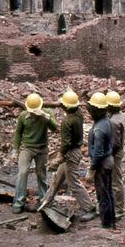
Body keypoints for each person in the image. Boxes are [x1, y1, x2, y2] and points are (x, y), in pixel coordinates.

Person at [38, 90, 97, 222]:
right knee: (57, 178)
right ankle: (46, 202)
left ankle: (90, 208)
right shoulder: (78, 114)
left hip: (70, 154)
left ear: (64, 106)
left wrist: (59, 158)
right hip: (76, 150)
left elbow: (65, 143)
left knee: (73, 183)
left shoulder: (67, 122)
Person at [12, 93, 58, 214]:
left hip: (42, 149)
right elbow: (18, 133)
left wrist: (46, 117)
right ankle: (18, 202)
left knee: (41, 174)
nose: (33, 113)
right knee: (22, 172)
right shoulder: (23, 116)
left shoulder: (46, 113)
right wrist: (15, 150)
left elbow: (55, 129)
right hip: (27, 148)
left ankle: (44, 201)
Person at [86, 92, 115, 228]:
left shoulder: (98, 129)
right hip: (109, 160)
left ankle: (106, 224)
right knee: (109, 192)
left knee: (102, 195)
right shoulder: (106, 121)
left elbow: (98, 152)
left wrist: (92, 168)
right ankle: (111, 220)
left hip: (102, 164)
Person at [106, 90, 125, 219]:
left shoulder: (113, 122)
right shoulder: (122, 115)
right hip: (118, 152)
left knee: (115, 182)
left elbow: (113, 144)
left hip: (113, 154)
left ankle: (118, 209)